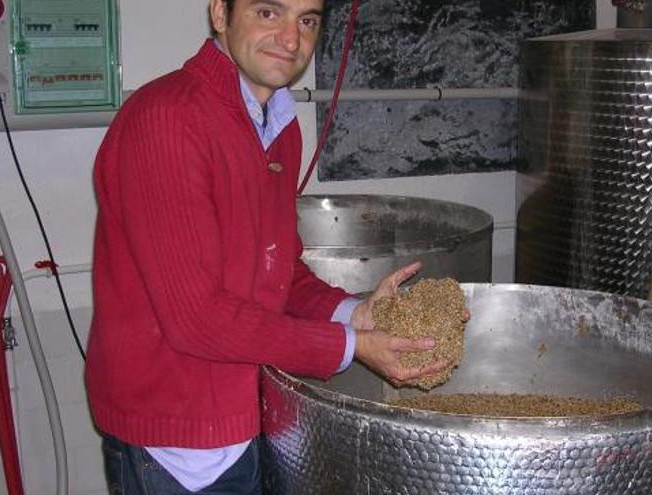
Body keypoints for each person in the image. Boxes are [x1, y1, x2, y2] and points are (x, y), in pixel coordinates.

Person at [85, 0, 449, 493]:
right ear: (220, 13)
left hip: (248, 417)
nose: (291, 39)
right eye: (267, 12)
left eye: (307, 20)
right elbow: (197, 319)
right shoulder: (168, 120)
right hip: (179, 445)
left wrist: (353, 314)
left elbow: (277, 270)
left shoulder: (277, 126)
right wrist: (350, 347)